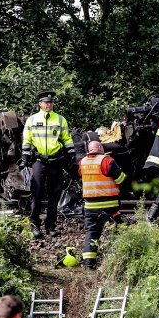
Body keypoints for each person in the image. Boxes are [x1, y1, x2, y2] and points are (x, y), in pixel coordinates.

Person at [20, 90, 77, 238]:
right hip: (39, 161)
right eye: (46, 102)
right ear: (40, 104)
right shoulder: (32, 120)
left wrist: (72, 155)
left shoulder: (60, 119)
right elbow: (27, 140)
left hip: (56, 161)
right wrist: (25, 157)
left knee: (54, 195)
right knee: (36, 193)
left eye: (50, 102)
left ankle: (51, 226)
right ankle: (34, 226)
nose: (48, 104)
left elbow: (67, 138)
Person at [79, 140, 127, 269]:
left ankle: (88, 264)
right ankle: (117, 261)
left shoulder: (82, 162)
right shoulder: (107, 161)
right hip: (108, 205)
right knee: (117, 230)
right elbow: (120, 179)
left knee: (92, 232)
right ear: (101, 148)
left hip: (89, 206)